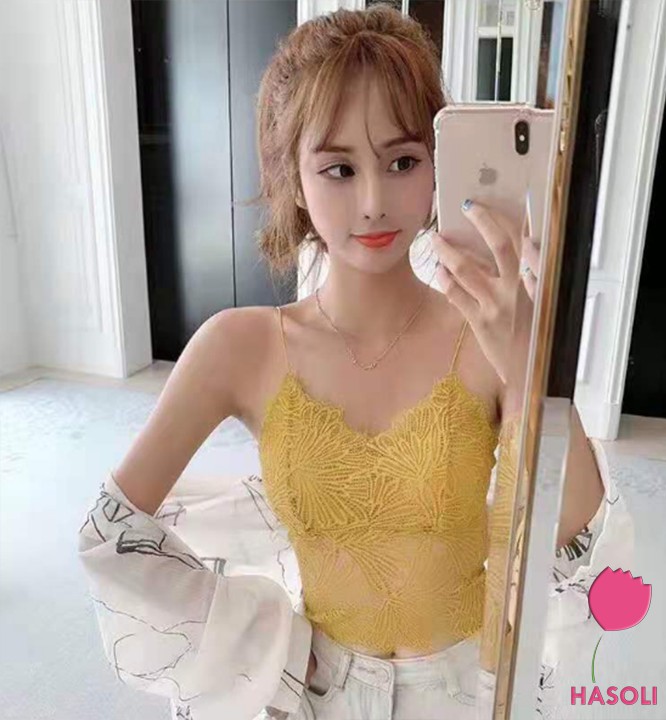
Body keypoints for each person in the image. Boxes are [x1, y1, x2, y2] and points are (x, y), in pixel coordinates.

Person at [78, 6, 632, 720]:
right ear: (292, 176)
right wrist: (267, 643)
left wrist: (530, 369)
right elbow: (110, 534)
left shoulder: (486, 334)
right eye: (338, 169)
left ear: (437, 163)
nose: (374, 203)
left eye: (403, 162)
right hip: (317, 694)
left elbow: (578, 541)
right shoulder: (239, 347)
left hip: (473, 689)